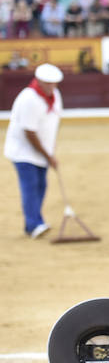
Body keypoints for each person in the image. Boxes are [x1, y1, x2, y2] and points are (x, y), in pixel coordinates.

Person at [3, 63, 63, 238]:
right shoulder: (29, 99)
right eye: (48, 83)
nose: (52, 87)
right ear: (39, 81)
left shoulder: (55, 95)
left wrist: (50, 150)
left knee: (41, 185)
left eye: (54, 83)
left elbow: (53, 123)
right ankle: (33, 225)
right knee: (30, 186)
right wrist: (48, 155)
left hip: (42, 151)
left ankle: (35, 221)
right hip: (23, 151)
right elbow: (29, 132)